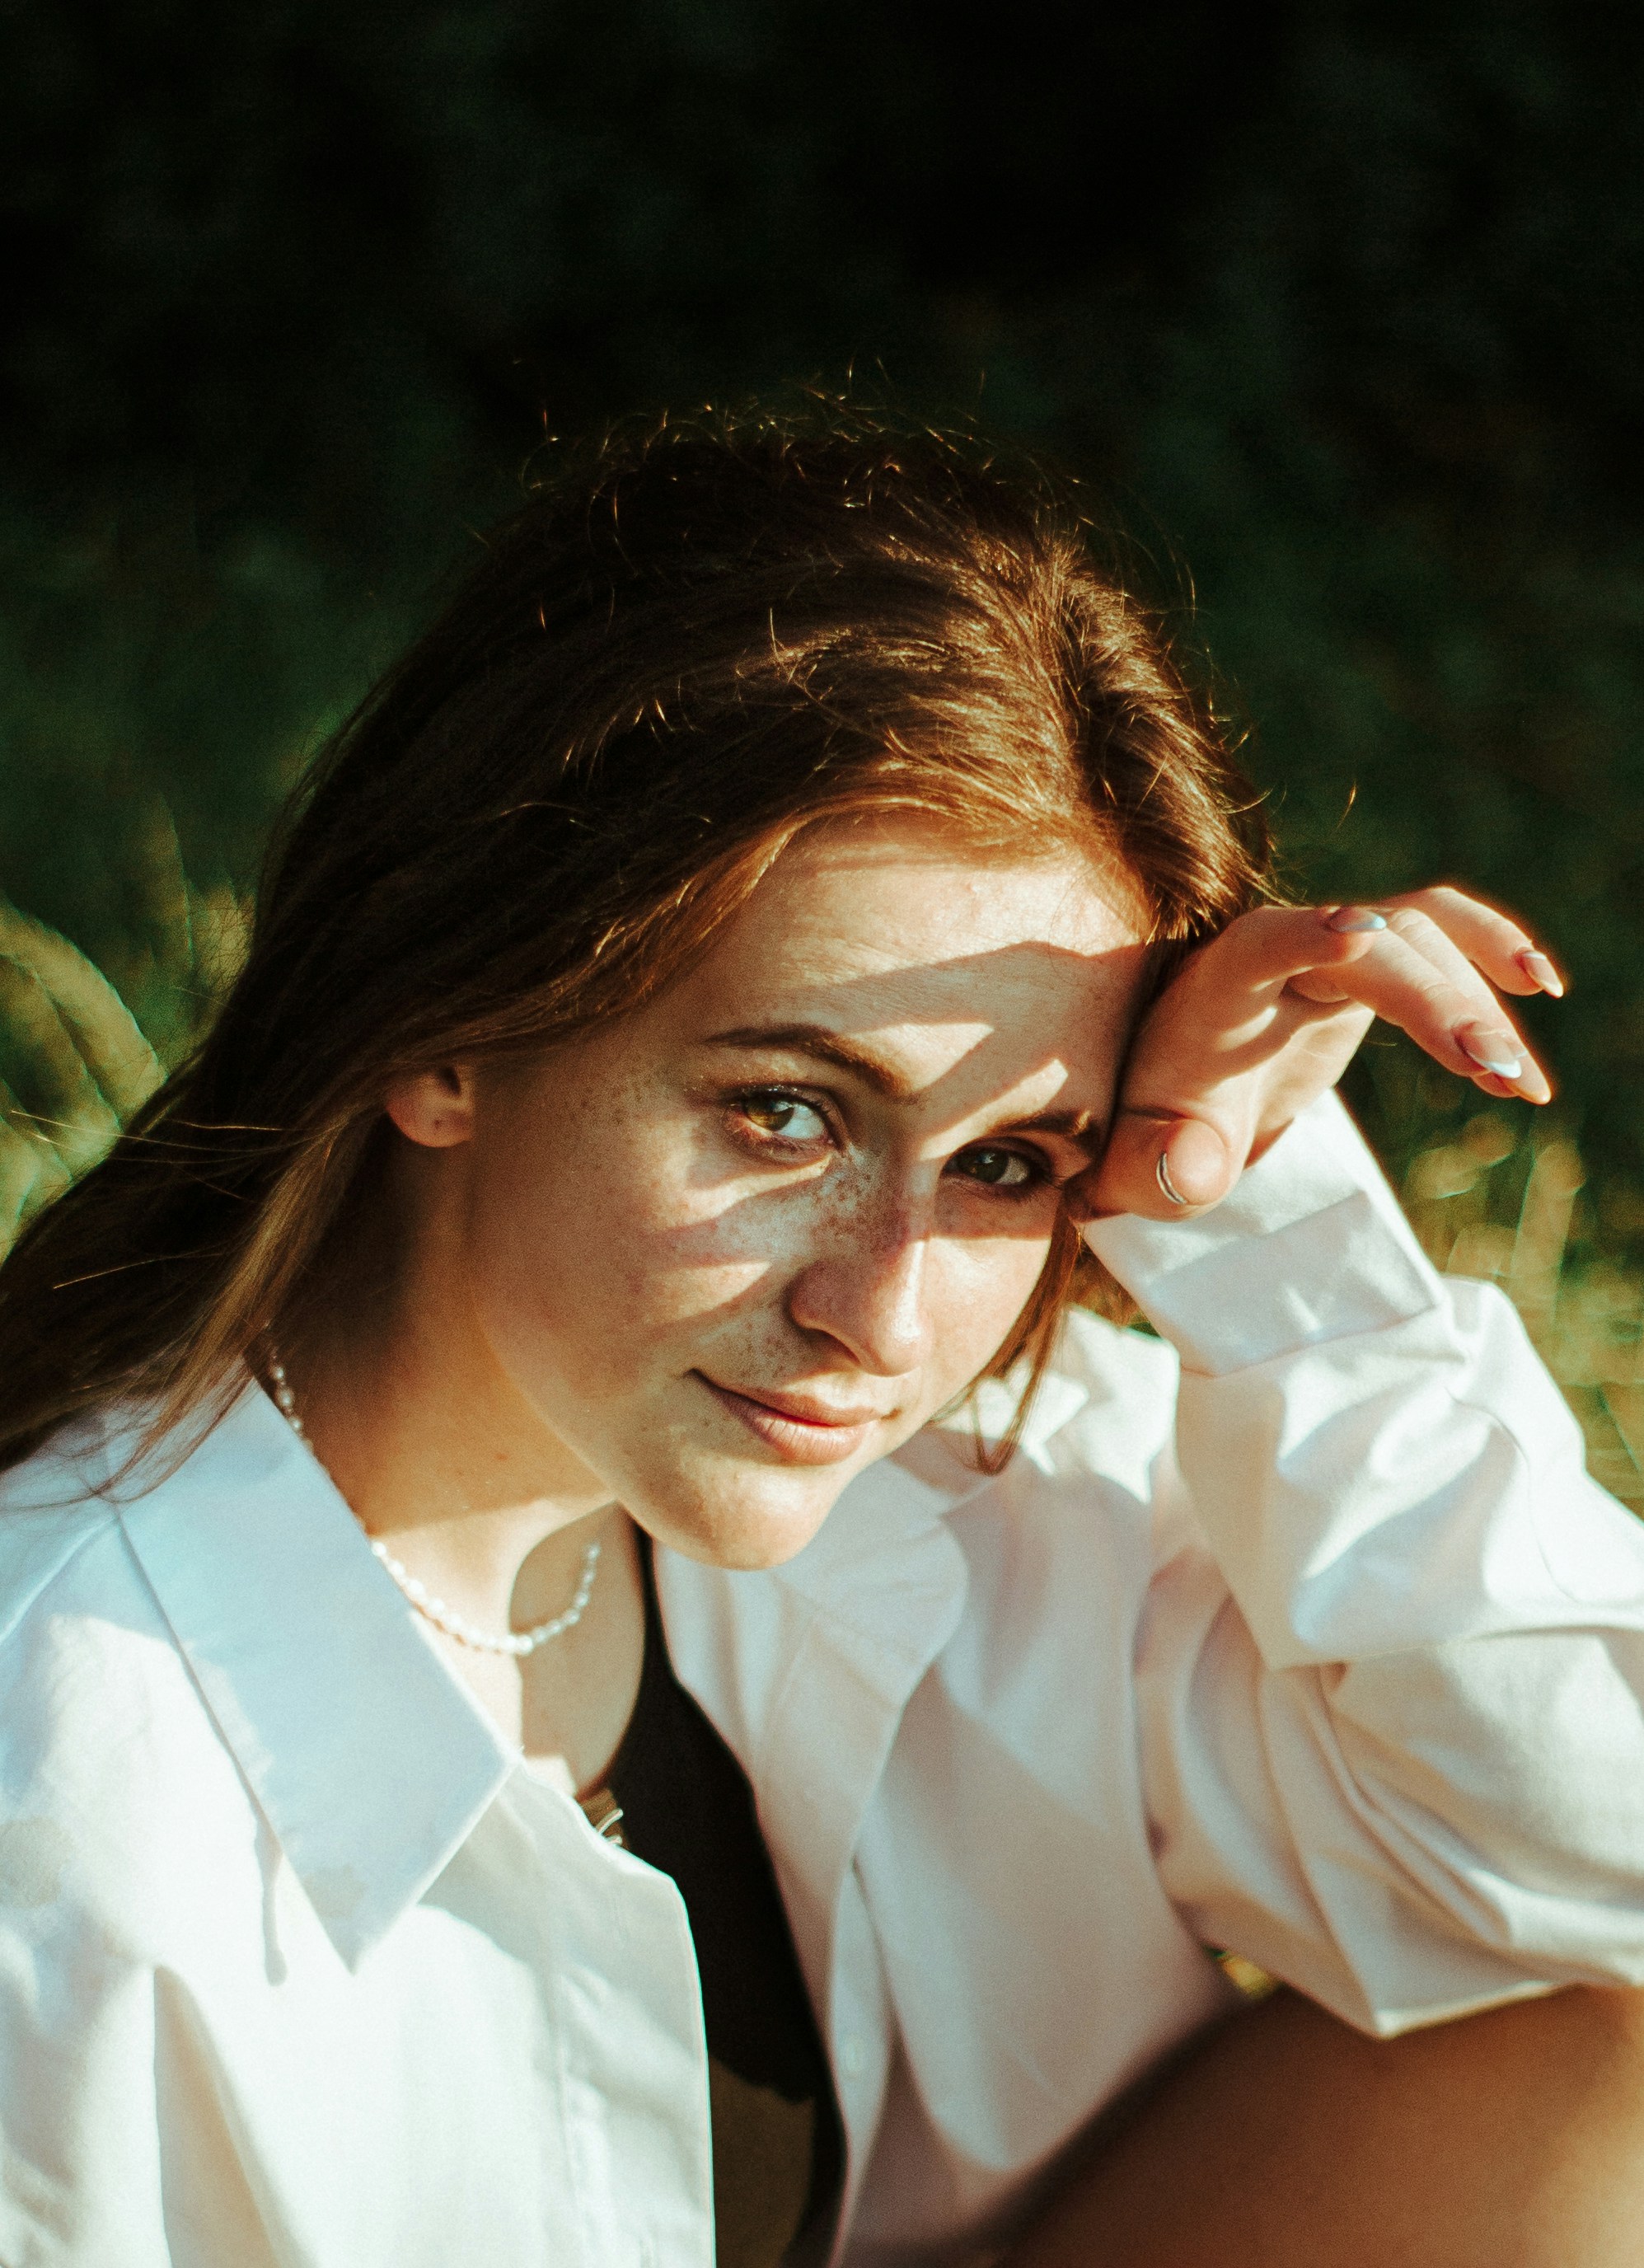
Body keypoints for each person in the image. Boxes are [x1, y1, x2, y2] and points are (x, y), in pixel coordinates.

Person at [2, 403, 1642, 2268]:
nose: (878, 1314)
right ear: (445, 1028)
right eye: (782, 1114)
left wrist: (1253, 1215)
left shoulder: (1003, 1489)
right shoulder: (71, 1815)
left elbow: (1597, 1872)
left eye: (1008, 1161)